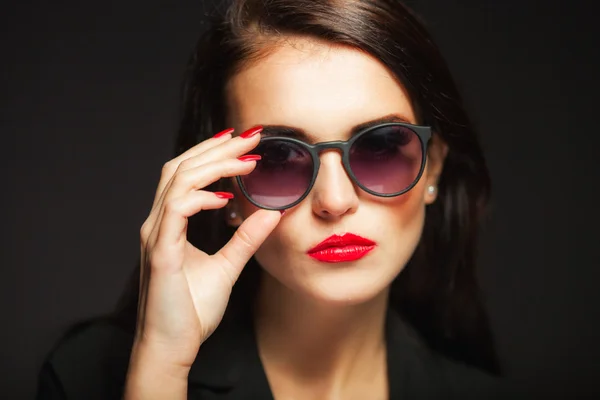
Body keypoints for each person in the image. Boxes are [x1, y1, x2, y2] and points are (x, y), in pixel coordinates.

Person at [36, 0, 511, 398]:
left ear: (434, 168)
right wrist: (161, 364)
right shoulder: (86, 376)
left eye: (381, 147)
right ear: (227, 191)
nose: (335, 200)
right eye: (279, 158)